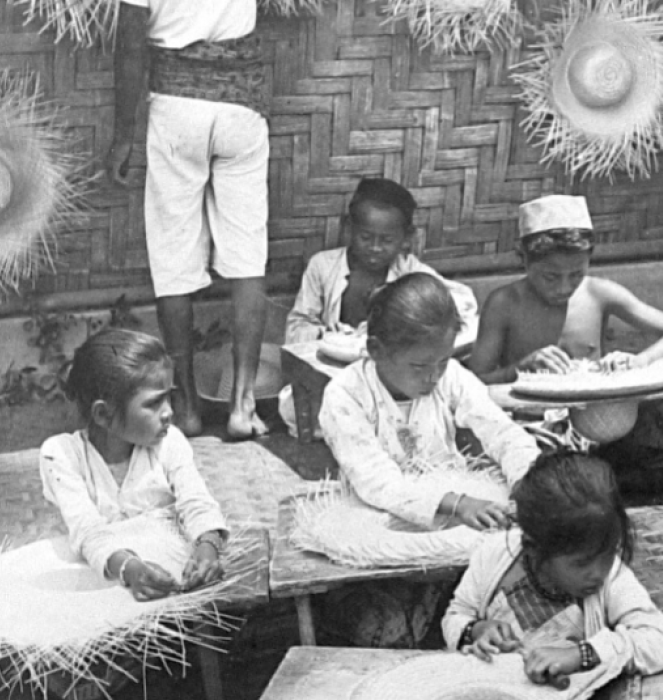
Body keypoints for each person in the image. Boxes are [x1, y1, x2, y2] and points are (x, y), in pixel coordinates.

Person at [106, 0, 271, 440]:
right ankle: (242, 406)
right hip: (242, 108)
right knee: (247, 257)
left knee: (174, 260)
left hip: (177, 111)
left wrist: (123, 136)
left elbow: (129, 48)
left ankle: (188, 408)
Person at [468, 194, 663, 495]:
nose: (563, 287)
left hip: (601, 429)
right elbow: (474, 380)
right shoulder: (505, 303)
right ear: (524, 259)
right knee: (544, 479)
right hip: (533, 429)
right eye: (550, 276)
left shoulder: (599, 294)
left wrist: (638, 361)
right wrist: (519, 369)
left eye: (576, 274)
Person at [321, 272, 540, 532]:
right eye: (418, 366)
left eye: (443, 361)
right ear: (376, 350)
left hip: (458, 501)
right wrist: (457, 503)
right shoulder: (345, 395)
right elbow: (376, 482)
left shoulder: (451, 376)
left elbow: (502, 432)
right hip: (381, 514)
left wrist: (526, 482)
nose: (434, 376)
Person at [443, 452, 663, 687]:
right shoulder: (492, 557)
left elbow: (658, 641)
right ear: (533, 548)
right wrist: (477, 631)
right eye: (581, 563)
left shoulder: (611, 577)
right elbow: (456, 616)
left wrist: (583, 655)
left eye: (606, 555)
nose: (597, 572)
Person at [39, 328, 230, 602]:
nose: (169, 412)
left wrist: (207, 547)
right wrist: (130, 570)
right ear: (103, 414)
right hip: (97, 585)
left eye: (169, 397)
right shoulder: (61, 455)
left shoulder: (169, 442)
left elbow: (197, 502)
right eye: (153, 403)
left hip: (167, 581)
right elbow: (88, 531)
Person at [285, 177, 480, 348]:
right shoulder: (323, 266)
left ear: (406, 238)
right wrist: (330, 338)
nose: (375, 248)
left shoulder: (409, 271)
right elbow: (297, 327)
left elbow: (463, 303)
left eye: (387, 241)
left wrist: (405, 310)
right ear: (349, 228)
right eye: (366, 237)